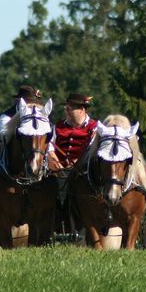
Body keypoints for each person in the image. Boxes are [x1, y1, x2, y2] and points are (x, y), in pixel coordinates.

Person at [0, 84, 43, 201]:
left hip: (34, 150)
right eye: (27, 101)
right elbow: (4, 135)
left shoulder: (39, 117)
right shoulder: (6, 116)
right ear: (18, 101)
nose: (29, 105)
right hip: (9, 149)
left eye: (32, 102)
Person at [48, 93, 99, 234]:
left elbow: (91, 148)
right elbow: (49, 145)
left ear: (82, 109)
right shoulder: (58, 126)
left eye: (70, 109)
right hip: (58, 170)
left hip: (82, 172)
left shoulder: (94, 127)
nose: (67, 111)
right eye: (66, 108)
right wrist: (53, 157)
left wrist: (79, 162)